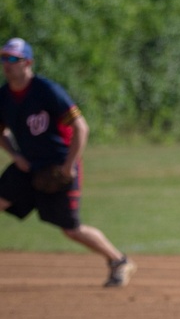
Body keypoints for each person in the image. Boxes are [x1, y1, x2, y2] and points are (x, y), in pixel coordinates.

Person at [0, 37, 137, 287]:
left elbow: (81, 127)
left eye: (13, 59)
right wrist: (16, 156)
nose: (6, 64)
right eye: (3, 58)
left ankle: (118, 260)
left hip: (58, 166)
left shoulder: (46, 91)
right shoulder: (4, 96)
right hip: (28, 165)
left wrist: (69, 166)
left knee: (71, 229)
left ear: (28, 62)